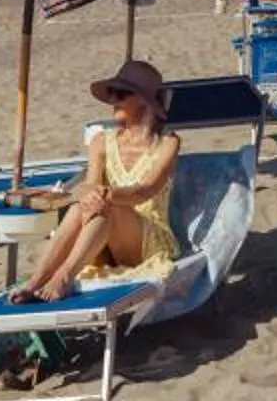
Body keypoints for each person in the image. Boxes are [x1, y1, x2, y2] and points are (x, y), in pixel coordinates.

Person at [11, 60, 181, 303]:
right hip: (105, 238)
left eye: (121, 94)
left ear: (145, 101)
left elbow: (145, 190)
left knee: (106, 204)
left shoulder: (167, 143)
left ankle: (63, 276)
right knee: (83, 206)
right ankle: (37, 280)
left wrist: (104, 195)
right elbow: (90, 187)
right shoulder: (101, 141)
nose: (112, 100)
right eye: (111, 93)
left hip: (148, 241)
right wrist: (87, 193)